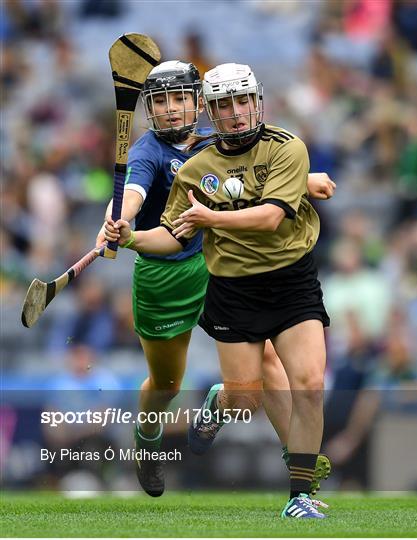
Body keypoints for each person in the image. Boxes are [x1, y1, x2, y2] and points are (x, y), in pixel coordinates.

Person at [106, 62, 331, 519]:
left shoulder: (222, 136)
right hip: (166, 274)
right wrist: (122, 227)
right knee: (171, 384)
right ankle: (150, 442)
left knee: (290, 374)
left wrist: (302, 182)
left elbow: (259, 185)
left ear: (196, 103)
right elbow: (136, 194)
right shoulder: (155, 153)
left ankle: (300, 481)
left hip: (221, 262)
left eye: (179, 99)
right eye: (162, 102)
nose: (171, 111)